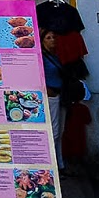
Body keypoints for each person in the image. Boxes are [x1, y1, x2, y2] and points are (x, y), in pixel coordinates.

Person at [41, 28, 66, 169]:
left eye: (53, 37)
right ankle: (53, 166)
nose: (52, 40)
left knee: (60, 131)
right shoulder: (42, 58)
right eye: (48, 38)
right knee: (54, 131)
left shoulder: (55, 57)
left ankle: (60, 164)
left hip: (60, 94)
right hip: (51, 95)